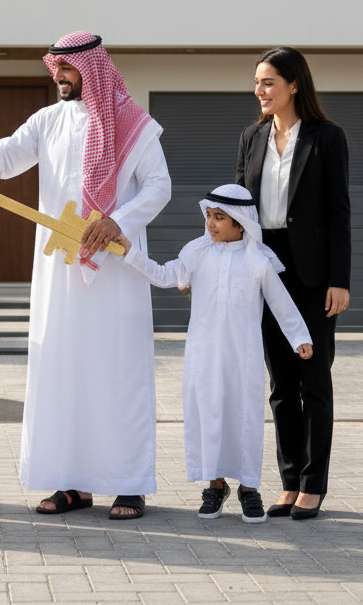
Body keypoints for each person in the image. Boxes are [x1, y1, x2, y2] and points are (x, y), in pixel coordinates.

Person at [0, 31, 171, 520]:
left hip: (115, 271)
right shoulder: (47, 120)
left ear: (92, 68)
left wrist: (118, 220)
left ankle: (128, 485)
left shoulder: (133, 124)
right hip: (59, 273)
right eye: (56, 69)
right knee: (63, 370)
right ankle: (71, 484)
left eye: (68, 69)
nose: (60, 77)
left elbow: (159, 185)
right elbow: (1, 160)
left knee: (118, 372)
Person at [114, 185, 312, 523]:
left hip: (242, 358)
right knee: (209, 417)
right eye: (209, 215)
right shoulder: (196, 252)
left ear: (241, 224)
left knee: (244, 418)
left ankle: (249, 488)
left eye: (219, 218)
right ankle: (215, 486)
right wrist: (131, 253)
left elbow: (281, 304)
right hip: (203, 357)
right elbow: (164, 276)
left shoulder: (257, 261)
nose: (211, 223)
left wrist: (299, 337)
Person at [236, 47, 351, 521]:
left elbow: (339, 212)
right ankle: (288, 481)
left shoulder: (326, 138)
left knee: (314, 379)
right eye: (257, 82)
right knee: (281, 383)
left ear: (294, 85)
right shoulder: (251, 137)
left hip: (312, 272)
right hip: (265, 265)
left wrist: (338, 280)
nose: (259, 91)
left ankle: (313, 484)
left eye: (268, 82)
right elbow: (239, 208)